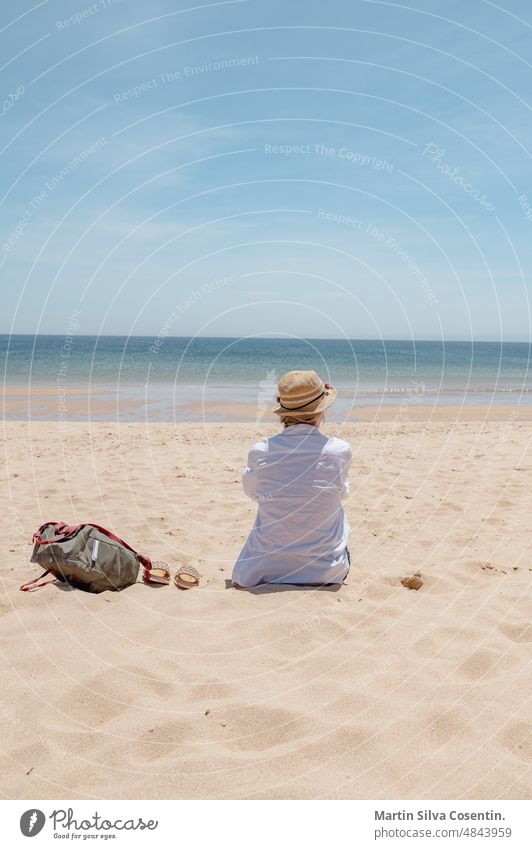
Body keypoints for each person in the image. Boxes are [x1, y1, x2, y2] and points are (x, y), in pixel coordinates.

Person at [231, 370, 352, 588]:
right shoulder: (339, 450)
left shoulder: (261, 451)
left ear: (283, 412)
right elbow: (342, 494)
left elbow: (251, 492)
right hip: (326, 572)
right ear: (320, 412)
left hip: (262, 569)